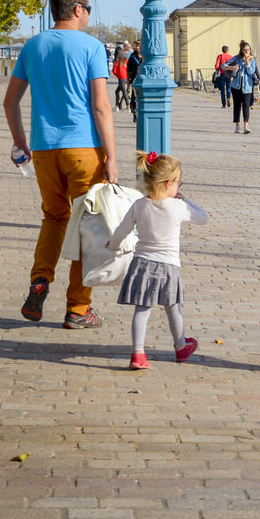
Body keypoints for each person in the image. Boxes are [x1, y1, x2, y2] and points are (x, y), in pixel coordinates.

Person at [5, 0, 116, 328]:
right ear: (79, 9)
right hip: (84, 150)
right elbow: (100, 106)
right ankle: (78, 308)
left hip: (43, 151)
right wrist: (111, 156)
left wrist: (21, 142)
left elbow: (10, 101)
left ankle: (40, 280)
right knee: (88, 228)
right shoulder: (91, 47)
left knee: (54, 218)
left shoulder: (32, 46)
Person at [108, 151, 211, 370]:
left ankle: (138, 353)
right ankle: (181, 346)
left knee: (142, 309)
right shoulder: (178, 207)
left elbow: (121, 231)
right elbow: (203, 217)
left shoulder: (139, 205)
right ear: (169, 183)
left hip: (142, 264)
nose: (179, 189)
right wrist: (185, 199)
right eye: (179, 184)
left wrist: (113, 247)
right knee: (173, 308)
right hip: (168, 266)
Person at [230, 46, 259, 133]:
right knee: (237, 105)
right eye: (245, 50)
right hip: (236, 85)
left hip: (247, 86)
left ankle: (246, 126)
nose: (247, 51)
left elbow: (251, 72)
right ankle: (237, 126)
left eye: (248, 50)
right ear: (242, 51)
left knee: (246, 106)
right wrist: (232, 68)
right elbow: (225, 65)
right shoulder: (237, 59)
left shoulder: (252, 60)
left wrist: (247, 63)